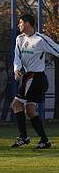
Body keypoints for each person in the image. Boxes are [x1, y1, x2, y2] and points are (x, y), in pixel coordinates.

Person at [10, 14, 58, 149]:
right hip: (28, 77)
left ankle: (23, 137)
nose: (18, 25)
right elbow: (17, 56)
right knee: (30, 110)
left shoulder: (40, 39)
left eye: (20, 23)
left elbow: (57, 50)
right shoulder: (19, 39)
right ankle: (44, 141)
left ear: (27, 24)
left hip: (36, 77)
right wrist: (16, 69)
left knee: (16, 104)